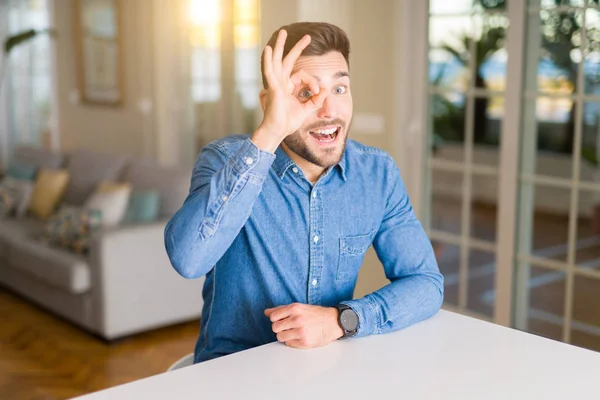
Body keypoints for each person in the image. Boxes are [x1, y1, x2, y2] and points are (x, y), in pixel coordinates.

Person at [164, 21, 444, 364]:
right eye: (305, 93)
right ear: (269, 102)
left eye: (339, 89)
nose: (329, 111)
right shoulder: (225, 161)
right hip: (234, 379)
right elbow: (188, 260)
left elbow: (426, 284)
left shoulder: (377, 174)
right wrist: (270, 132)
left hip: (327, 372)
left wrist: (342, 320)